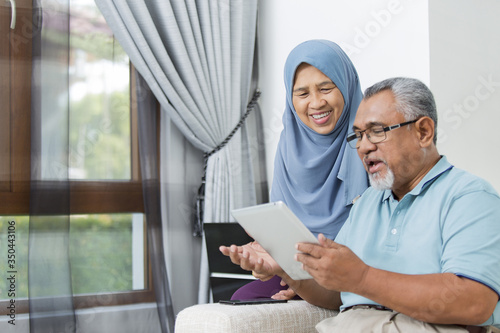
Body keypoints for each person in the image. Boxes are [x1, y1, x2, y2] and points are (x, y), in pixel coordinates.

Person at [221, 77, 500, 332]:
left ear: (424, 132)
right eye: (358, 136)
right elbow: (335, 293)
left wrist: (362, 277)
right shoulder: (369, 201)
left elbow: (474, 302)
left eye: (376, 131)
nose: (364, 147)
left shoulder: (470, 197)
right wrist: (285, 268)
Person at [230, 39, 368, 300]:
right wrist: (269, 255)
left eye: (326, 88)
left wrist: (313, 282)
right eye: (302, 94)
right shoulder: (289, 143)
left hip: (356, 272)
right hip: (296, 266)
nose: (316, 103)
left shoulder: (373, 142)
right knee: (243, 299)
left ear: (346, 87)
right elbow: (281, 224)